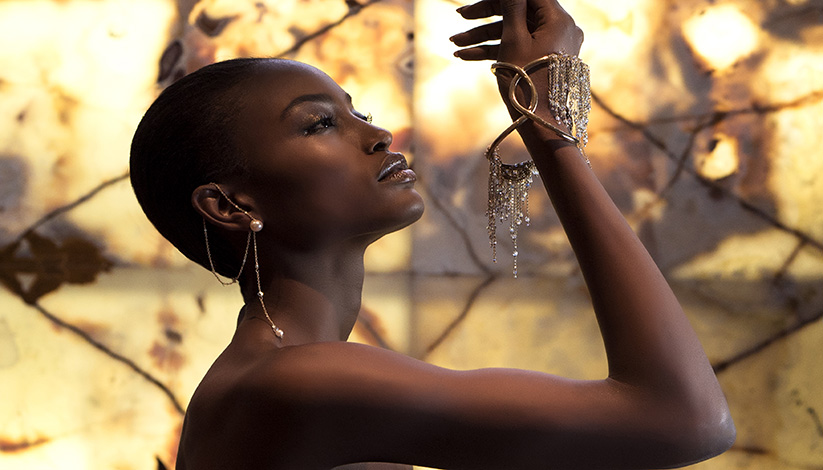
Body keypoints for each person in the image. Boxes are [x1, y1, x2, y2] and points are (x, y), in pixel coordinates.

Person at [129, 0, 736, 468]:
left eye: (359, 113)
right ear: (229, 205)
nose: (379, 135)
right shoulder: (297, 382)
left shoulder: (287, 376)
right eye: (318, 125)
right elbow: (686, 419)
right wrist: (546, 123)